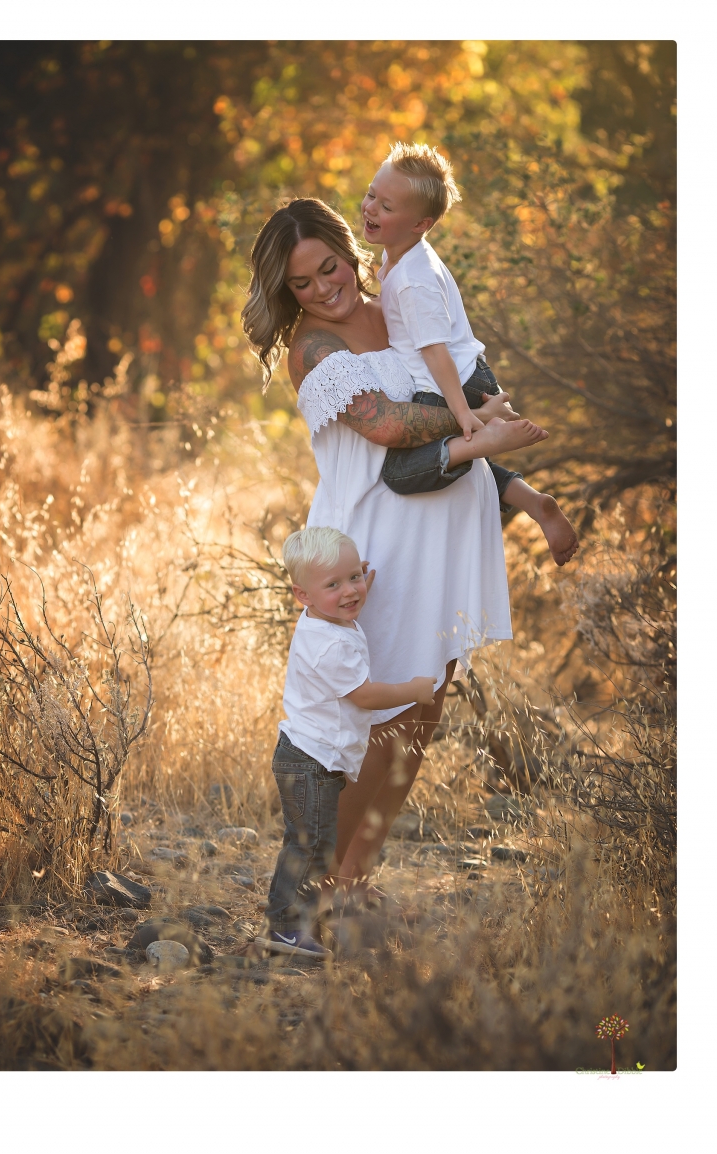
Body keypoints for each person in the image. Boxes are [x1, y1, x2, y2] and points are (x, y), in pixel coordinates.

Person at [241, 198, 545, 904]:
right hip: (370, 542)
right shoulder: (314, 348)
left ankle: (354, 879)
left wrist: (503, 463)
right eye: (302, 285)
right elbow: (388, 426)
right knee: (364, 725)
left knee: (423, 712)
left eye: (329, 267)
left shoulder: (402, 307)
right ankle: (314, 888)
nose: (323, 289)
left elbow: (462, 369)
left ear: (349, 252)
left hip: (435, 535)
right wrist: (479, 425)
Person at [364, 141, 579, 566]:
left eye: (386, 206)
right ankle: (536, 503)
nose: (371, 208)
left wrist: (466, 416)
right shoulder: (401, 260)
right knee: (459, 458)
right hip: (470, 377)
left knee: (400, 472)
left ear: (420, 223)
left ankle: (489, 433)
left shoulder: (413, 279)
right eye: (372, 194)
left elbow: (435, 351)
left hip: (451, 384)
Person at [254, 526, 435, 959]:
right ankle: (283, 928)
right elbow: (365, 696)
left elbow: (340, 596)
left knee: (315, 844)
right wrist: (413, 690)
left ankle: (299, 920)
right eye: (333, 584)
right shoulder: (329, 646)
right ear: (303, 595)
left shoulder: (322, 616)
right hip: (310, 761)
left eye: (354, 577)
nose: (350, 591)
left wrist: (348, 589)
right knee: (309, 846)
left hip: (314, 757)